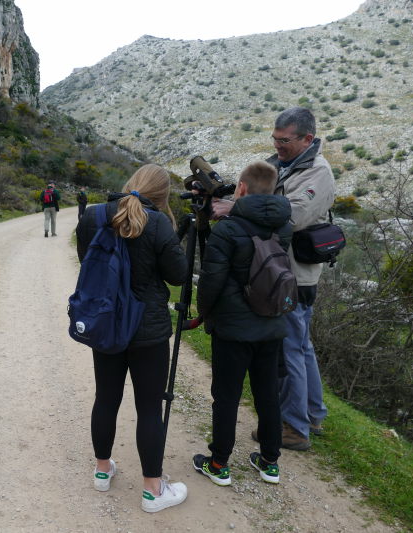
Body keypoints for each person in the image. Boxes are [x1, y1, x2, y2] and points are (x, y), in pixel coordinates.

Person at [212, 107, 336, 451]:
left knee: (291, 350)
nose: (277, 146)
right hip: (282, 270)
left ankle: (295, 428)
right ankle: (312, 412)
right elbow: (262, 201)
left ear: (307, 138)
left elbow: (290, 216)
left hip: (292, 275)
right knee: (302, 346)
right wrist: (227, 200)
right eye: (275, 139)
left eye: (284, 140)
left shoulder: (318, 173)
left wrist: (235, 208)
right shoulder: (286, 164)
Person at [75, 164, 188, 513]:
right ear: (162, 194)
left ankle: (102, 471)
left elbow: (87, 262)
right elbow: (179, 276)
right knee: (149, 409)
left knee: (106, 399)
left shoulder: (93, 217)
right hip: (147, 331)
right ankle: (153, 491)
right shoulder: (157, 225)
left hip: (106, 324)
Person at [192, 161, 292, 487]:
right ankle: (270, 462)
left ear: (242, 189)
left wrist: (202, 314)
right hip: (273, 324)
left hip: (233, 331)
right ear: (275, 191)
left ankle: (219, 462)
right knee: (267, 396)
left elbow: (210, 281)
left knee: (227, 397)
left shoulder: (228, 230)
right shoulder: (284, 227)